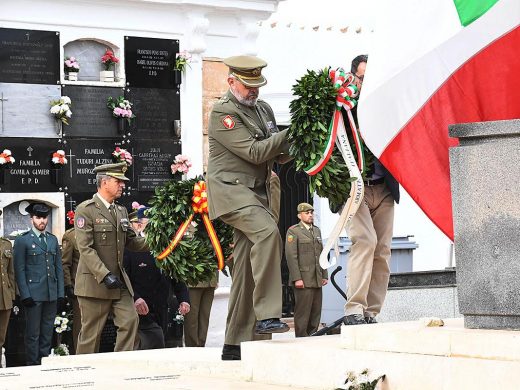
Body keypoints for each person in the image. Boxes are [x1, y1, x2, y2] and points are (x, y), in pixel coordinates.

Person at [206, 55, 291, 360]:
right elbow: (256, 152)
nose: (254, 91)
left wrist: (304, 137)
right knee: (268, 233)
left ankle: (235, 344)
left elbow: (277, 153)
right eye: (248, 85)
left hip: (256, 194)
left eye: (257, 85)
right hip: (231, 192)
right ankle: (268, 313)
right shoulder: (222, 113)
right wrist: (291, 132)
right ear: (231, 82)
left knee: (244, 269)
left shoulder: (263, 109)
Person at [343, 54, 400, 325]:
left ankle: (371, 313)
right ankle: (354, 309)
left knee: (383, 249)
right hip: (356, 189)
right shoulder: (341, 109)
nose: (367, 85)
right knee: (365, 241)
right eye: (363, 79)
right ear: (353, 77)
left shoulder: (385, 106)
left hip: (384, 188)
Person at [74, 162, 149, 354]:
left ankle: (119, 364)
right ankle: (83, 373)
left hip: (119, 281)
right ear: (104, 182)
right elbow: (86, 248)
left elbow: (132, 242)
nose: (122, 185)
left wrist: (160, 241)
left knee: (130, 321)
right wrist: (105, 274)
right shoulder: (86, 210)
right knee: (91, 334)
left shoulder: (121, 211)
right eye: (118, 181)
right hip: (95, 282)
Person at [123, 206, 190, 350]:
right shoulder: (130, 248)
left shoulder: (166, 246)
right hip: (141, 308)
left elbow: (176, 275)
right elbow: (125, 277)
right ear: (140, 225)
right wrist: (135, 298)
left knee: (160, 343)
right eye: (151, 222)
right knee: (149, 343)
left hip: (161, 307)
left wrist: (184, 299)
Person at [13, 203, 65, 365]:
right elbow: (19, 270)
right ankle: (32, 365)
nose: (42, 221)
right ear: (31, 219)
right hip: (33, 295)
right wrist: (25, 294)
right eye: (38, 217)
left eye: (44, 217)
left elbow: (58, 268)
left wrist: (60, 293)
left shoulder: (52, 239)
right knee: (33, 334)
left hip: (51, 293)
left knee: (47, 332)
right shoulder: (23, 241)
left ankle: (44, 364)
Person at [285, 203, 328, 337]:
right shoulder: (294, 231)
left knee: (316, 311)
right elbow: (291, 256)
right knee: (303, 312)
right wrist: (297, 278)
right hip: (303, 278)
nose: (310, 215)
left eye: (311, 213)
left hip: (316, 277)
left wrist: (324, 274)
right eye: (307, 213)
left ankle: (313, 336)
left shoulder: (316, 230)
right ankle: (301, 338)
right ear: (299, 215)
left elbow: (322, 254)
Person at [61, 215, 81, 353]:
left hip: (98, 286)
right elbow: (65, 263)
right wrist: (68, 285)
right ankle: (80, 355)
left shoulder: (95, 232)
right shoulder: (71, 236)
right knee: (81, 327)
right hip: (79, 288)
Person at [184, 272, 217, 347]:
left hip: (211, 279)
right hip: (194, 279)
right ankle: (192, 347)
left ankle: (201, 345)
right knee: (192, 317)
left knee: (205, 317)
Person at [0, 210, 15, 361]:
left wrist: (11, 295)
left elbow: (10, 272)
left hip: (4, 299)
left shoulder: (6, 244)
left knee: (1, 338)